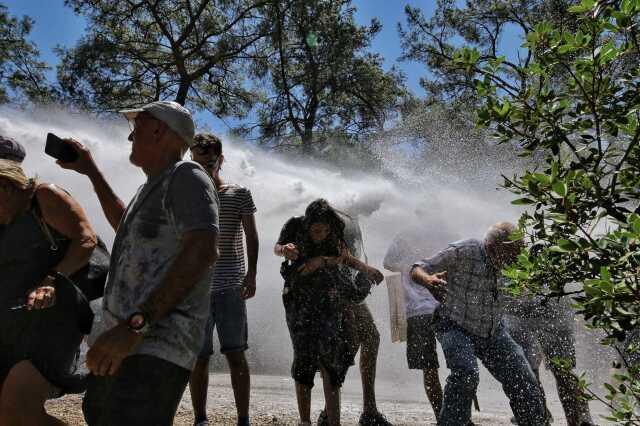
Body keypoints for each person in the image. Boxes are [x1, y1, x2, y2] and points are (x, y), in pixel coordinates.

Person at [57, 101, 220, 425]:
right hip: (127, 343)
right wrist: (91, 171)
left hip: (153, 347)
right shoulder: (153, 186)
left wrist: (136, 326)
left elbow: (202, 250)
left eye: (138, 127)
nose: (131, 138)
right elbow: (126, 225)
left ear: (159, 129)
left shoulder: (187, 175)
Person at [411, 222, 546, 426]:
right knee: (466, 373)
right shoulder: (465, 250)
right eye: (511, 255)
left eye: (519, 254)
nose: (516, 261)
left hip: (493, 330)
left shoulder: (518, 264)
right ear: (491, 247)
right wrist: (429, 281)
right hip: (453, 323)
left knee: (523, 378)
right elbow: (417, 268)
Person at [0, 159, 97, 425]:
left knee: (17, 408)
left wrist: (52, 278)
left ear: (5, 186)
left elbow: (86, 239)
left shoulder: (43, 196)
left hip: (53, 320)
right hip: (12, 321)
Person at [274, 199, 383, 426]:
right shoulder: (299, 224)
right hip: (302, 301)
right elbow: (279, 247)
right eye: (316, 230)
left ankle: (336, 417)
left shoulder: (340, 225)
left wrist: (365, 269)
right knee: (306, 358)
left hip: (335, 296)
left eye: (324, 230)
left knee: (336, 356)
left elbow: (343, 257)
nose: (320, 234)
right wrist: (285, 249)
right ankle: (312, 419)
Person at [187, 133, 259, 426]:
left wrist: (251, 274)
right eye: (199, 160)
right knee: (199, 357)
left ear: (221, 158)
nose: (206, 165)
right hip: (196, 288)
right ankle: (200, 419)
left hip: (230, 285)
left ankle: (243, 419)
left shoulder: (238, 192)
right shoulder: (188, 194)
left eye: (211, 159)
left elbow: (252, 235)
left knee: (236, 354)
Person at [504, 295, 595, 426]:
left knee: (561, 370)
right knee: (529, 369)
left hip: (552, 308)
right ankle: (541, 416)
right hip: (523, 311)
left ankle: (579, 419)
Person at [383, 229, 445, 423]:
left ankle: (444, 418)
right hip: (423, 308)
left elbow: (388, 262)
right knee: (435, 367)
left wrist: (405, 266)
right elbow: (387, 262)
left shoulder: (412, 234)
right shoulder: (404, 236)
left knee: (433, 368)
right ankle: (444, 418)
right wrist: (407, 267)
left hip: (431, 308)